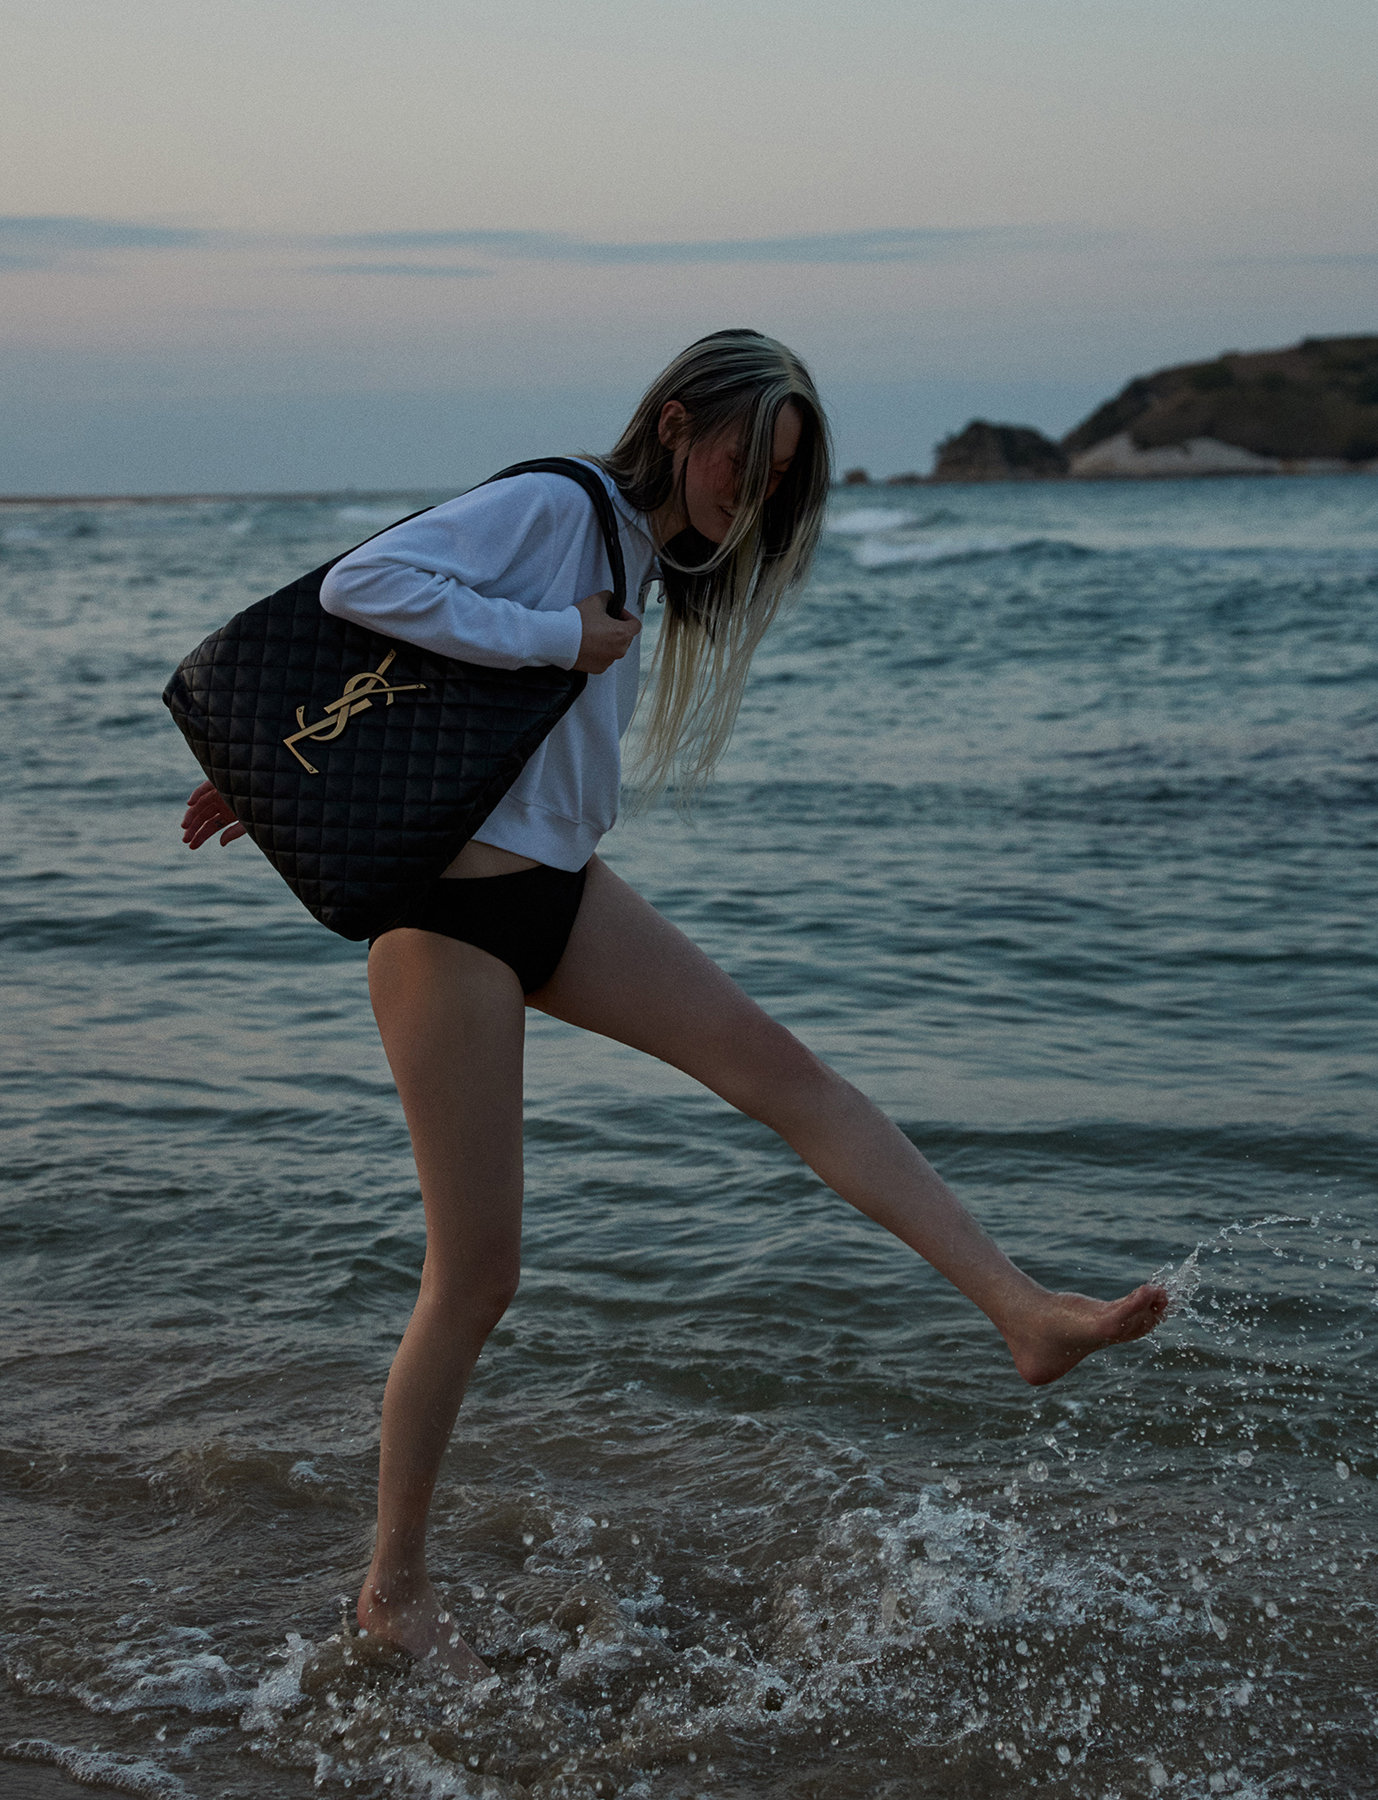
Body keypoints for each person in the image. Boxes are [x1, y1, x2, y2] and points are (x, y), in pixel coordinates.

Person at [181, 329, 1168, 1682]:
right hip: (445, 926)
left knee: (789, 1076)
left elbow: (438, 694)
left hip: (560, 892)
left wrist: (306, 774)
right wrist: (556, 638)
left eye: (777, 482)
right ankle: (392, 1590)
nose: (749, 495)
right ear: (677, 422)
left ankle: (1020, 1311)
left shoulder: (635, 555)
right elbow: (368, 585)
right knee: (477, 1274)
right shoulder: (561, 503)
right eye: (743, 461)